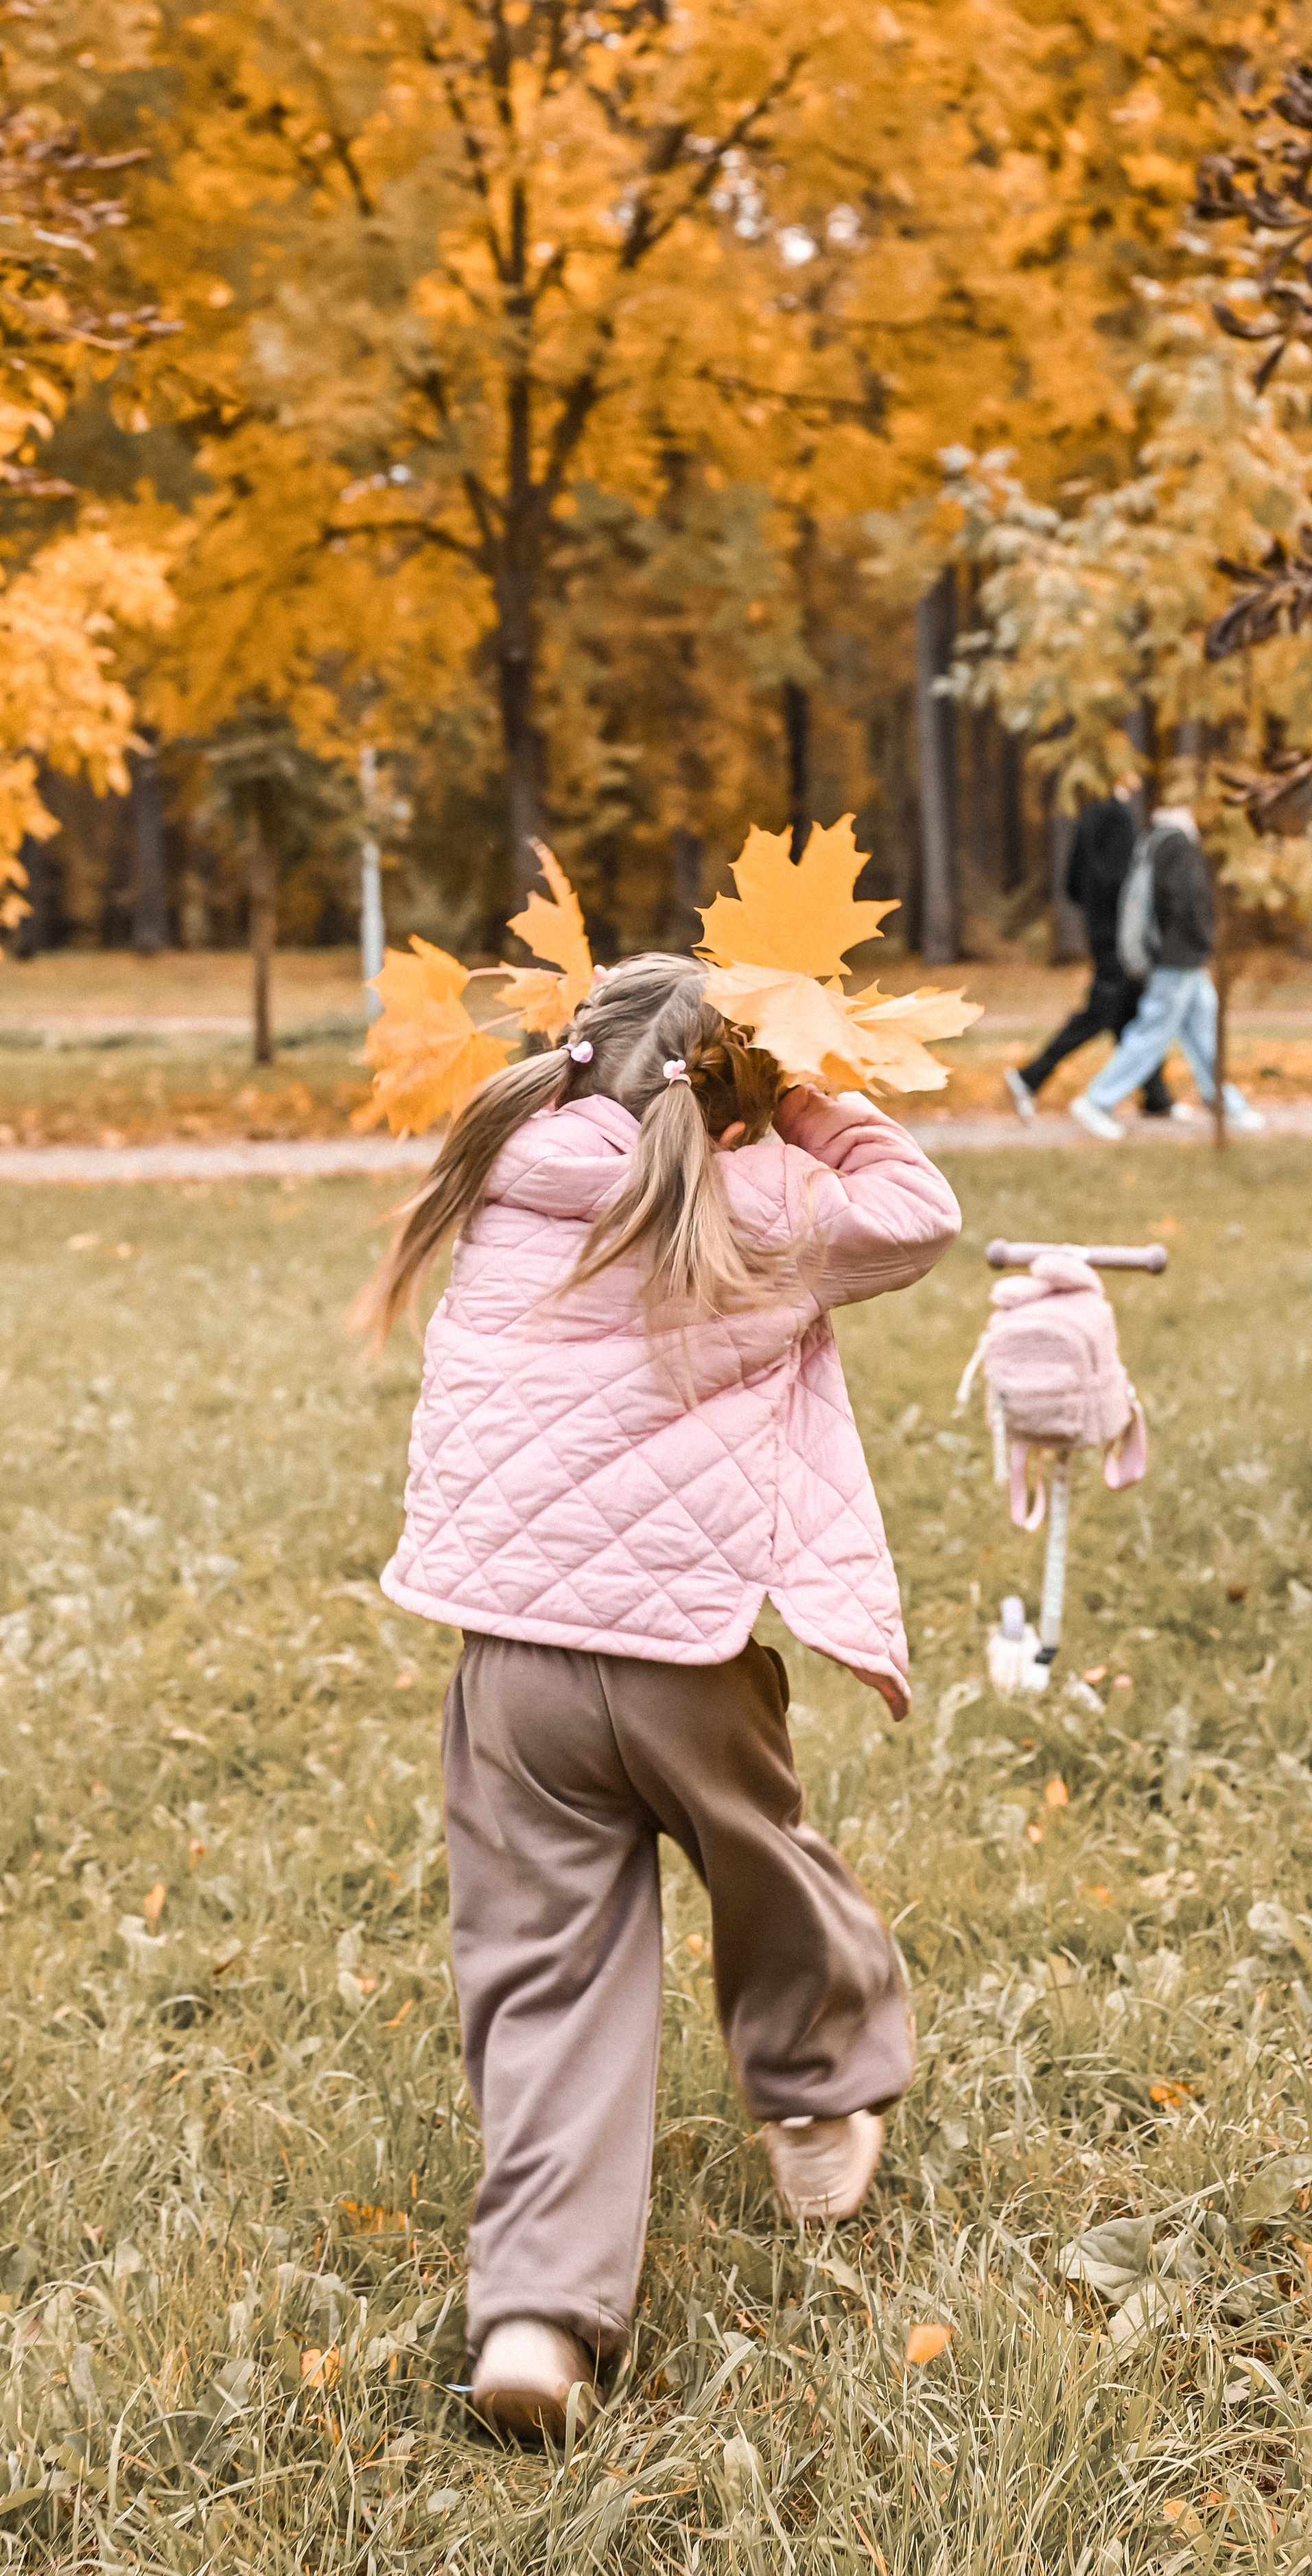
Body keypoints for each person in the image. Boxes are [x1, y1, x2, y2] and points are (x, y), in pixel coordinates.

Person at [353, 953, 960, 2438]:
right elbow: (917, 1213)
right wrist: (810, 1091)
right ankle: (818, 2088)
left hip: (508, 1667)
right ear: (736, 1086)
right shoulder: (759, 1204)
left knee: (542, 1969)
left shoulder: (499, 1180)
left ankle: (536, 2317)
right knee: (765, 1857)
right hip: (682, 1655)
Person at [1068, 804, 1264, 1140]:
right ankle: (1097, 1101)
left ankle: (1225, 1103)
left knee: (1205, 1031)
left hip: (1177, 957)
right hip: (1179, 958)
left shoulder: (1155, 841)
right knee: (1152, 1032)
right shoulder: (1179, 845)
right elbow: (1184, 902)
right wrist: (1204, 940)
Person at [1005, 786, 1178, 1124]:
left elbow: (1072, 884)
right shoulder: (1118, 817)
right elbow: (1123, 883)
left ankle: (1157, 1097)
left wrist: (1096, 915)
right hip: (1118, 937)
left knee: (1126, 1012)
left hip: (1100, 933)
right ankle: (1030, 1077)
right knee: (1103, 1010)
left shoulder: (1088, 815)